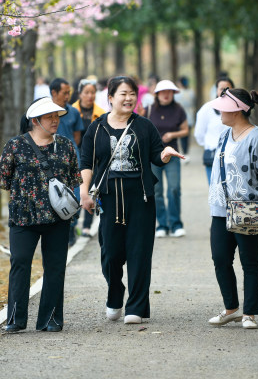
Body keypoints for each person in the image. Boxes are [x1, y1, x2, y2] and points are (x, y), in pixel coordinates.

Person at [79, 76, 185, 325]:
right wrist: (85, 191)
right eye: (123, 94)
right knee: (110, 254)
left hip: (141, 197)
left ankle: (136, 305)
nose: (128, 99)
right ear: (111, 97)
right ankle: (115, 293)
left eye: (132, 94)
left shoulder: (144, 125)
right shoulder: (97, 128)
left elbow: (157, 156)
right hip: (109, 197)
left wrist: (166, 154)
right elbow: (86, 162)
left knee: (139, 252)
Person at [0, 97, 82, 333]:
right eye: (49, 117)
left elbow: (75, 178)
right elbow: (0, 179)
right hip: (23, 217)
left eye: (56, 116)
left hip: (57, 218)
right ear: (34, 121)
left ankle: (50, 319)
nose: (55, 121)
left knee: (55, 267)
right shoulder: (15, 145)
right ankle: (15, 319)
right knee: (20, 263)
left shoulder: (65, 145)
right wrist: (26, 190)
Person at [207, 88, 258, 330]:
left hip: (248, 210)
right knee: (220, 258)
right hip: (220, 208)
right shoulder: (224, 136)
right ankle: (231, 309)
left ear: (238, 110)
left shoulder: (257, 138)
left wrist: (247, 189)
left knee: (250, 262)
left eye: (224, 106)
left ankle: (249, 313)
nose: (219, 110)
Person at [144, 80, 189, 238]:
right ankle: (161, 224)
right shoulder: (149, 109)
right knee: (156, 191)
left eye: (169, 92)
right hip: (153, 156)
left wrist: (172, 135)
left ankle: (176, 223)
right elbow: (141, 129)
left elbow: (185, 130)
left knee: (174, 188)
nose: (166, 94)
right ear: (157, 94)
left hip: (173, 155)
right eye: (163, 92)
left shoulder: (178, 110)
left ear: (173, 93)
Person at [51, 77, 85, 245]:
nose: (67, 96)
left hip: (72, 156)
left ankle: (72, 227)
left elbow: (77, 137)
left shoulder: (74, 112)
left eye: (69, 93)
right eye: (64, 93)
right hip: (51, 158)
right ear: (54, 93)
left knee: (75, 193)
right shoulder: (46, 113)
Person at [72, 78, 106, 237]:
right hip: (76, 155)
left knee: (92, 189)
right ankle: (72, 224)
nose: (90, 95)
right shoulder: (72, 111)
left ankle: (87, 225)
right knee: (76, 189)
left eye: (93, 92)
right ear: (80, 94)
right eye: (86, 92)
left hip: (95, 157)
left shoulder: (101, 113)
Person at [195, 76, 234, 183]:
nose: (225, 91)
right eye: (221, 88)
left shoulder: (239, 109)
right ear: (216, 90)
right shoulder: (207, 109)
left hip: (233, 156)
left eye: (228, 88)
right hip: (212, 156)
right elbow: (199, 133)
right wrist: (209, 144)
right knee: (214, 190)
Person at [175, 76, 195, 160]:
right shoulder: (191, 92)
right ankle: (186, 153)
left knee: (182, 136)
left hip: (179, 118)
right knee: (187, 136)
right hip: (189, 117)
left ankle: (184, 153)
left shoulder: (177, 94)